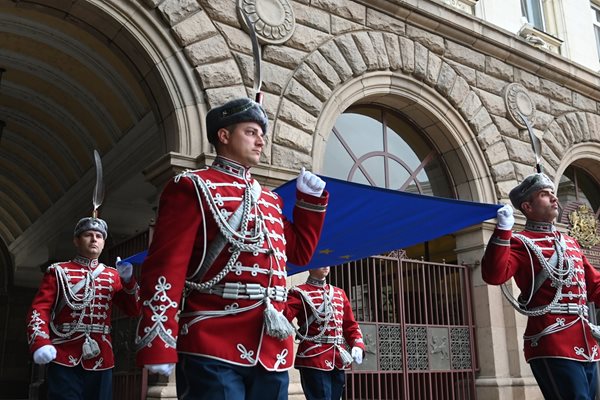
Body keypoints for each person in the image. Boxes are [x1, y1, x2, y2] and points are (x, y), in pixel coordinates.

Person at [135, 97, 329, 400]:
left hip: (271, 344)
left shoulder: (270, 199)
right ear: (224, 136)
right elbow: (165, 268)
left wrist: (309, 202)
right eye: (251, 132)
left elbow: (300, 255)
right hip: (213, 339)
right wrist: (158, 341)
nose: (260, 141)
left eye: (261, 134)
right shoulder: (191, 186)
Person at [481, 172, 600, 400]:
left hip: (587, 342)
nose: (554, 199)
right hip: (552, 340)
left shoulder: (571, 242)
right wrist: (503, 230)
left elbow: (594, 286)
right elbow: (494, 275)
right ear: (527, 206)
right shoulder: (519, 242)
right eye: (545, 195)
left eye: (553, 193)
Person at [26, 217, 141, 400]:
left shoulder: (113, 275)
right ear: (76, 241)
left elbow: (134, 310)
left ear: (103, 243)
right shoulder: (58, 271)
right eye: (88, 235)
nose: (94, 239)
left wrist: (128, 281)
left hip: (101, 355)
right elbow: (39, 310)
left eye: (99, 236)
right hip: (64, 352)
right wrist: (40, 342)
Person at [286, 266, 365, 400]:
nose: (325, 266)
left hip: (338, 359)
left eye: (328, 264)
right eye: (321, 263)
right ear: (310, 268)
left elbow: (350, 325)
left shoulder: (340, 293)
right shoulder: (298, 292)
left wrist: (357, 344)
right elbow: (284, 316)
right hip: (313, 357)